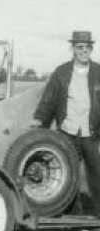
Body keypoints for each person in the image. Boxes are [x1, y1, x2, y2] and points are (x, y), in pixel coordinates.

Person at [32, 31, 100, 217]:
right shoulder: (61, 72)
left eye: (87, 47)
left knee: (97, 177)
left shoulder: (98, 72)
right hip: (67, 133)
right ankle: (71, 222)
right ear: (73, 49)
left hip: (92, 134)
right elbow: (49, 100)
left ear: (91, 49)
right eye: (80, 47)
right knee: (68, 177)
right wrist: (39, 120)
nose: (84, 51)